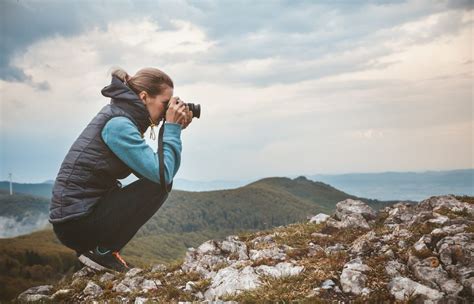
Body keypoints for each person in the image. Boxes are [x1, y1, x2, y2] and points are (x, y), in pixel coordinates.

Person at [48, 67, 193, 272]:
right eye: (165, 103)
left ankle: (102, 252)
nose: (166, 109)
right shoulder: (118, 125)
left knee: (159, 182)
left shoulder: (120, 117)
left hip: (77, 217)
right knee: (159, 185)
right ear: (144, 97)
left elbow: (159, 170)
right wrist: (172, 129)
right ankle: (102, 252)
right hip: (76, 223)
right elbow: (162, 175)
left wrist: (170, 129)